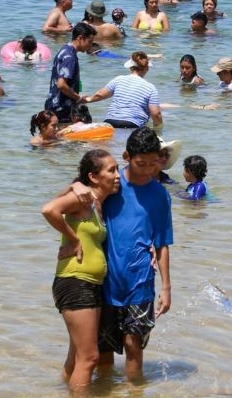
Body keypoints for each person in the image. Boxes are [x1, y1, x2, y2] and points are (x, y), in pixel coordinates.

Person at [93, 127, 173, 382]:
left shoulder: (160, 194)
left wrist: (167, 288)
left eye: (153, 164)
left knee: (133, 344)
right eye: (141, 164)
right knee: (103, 347)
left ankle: (134, 390)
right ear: (127, 156)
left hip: (140, 282)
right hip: (106, 280)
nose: (148, 170)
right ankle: (104, 389)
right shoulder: (112, 185)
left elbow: (162, 243)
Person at [41, 149, 120, 390]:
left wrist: (74, 185)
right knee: (90, 358)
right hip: (75, 282)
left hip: (88, 284)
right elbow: (49, 209)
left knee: (78, 357)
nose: (118, 176)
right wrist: (73, 239)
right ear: (94, 177)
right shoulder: (83, 198)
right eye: (111, 170)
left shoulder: (95, 200)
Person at [82, 51, 163, 129]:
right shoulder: (150, 88)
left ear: (130, 67)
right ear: (147, 68)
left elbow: (100, 94)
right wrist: (158, 130)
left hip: (110, 122)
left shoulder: (119, 79)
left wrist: (87, 99)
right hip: (133, 124)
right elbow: (156, 114)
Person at [45, 23, 96, 122]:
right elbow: (61, 85)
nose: (90, 45)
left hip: (53, 103)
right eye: (90, 42)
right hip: (61, 107)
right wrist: (78, 98)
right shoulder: (70, 57)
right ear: (80, 38)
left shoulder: (65, 49)